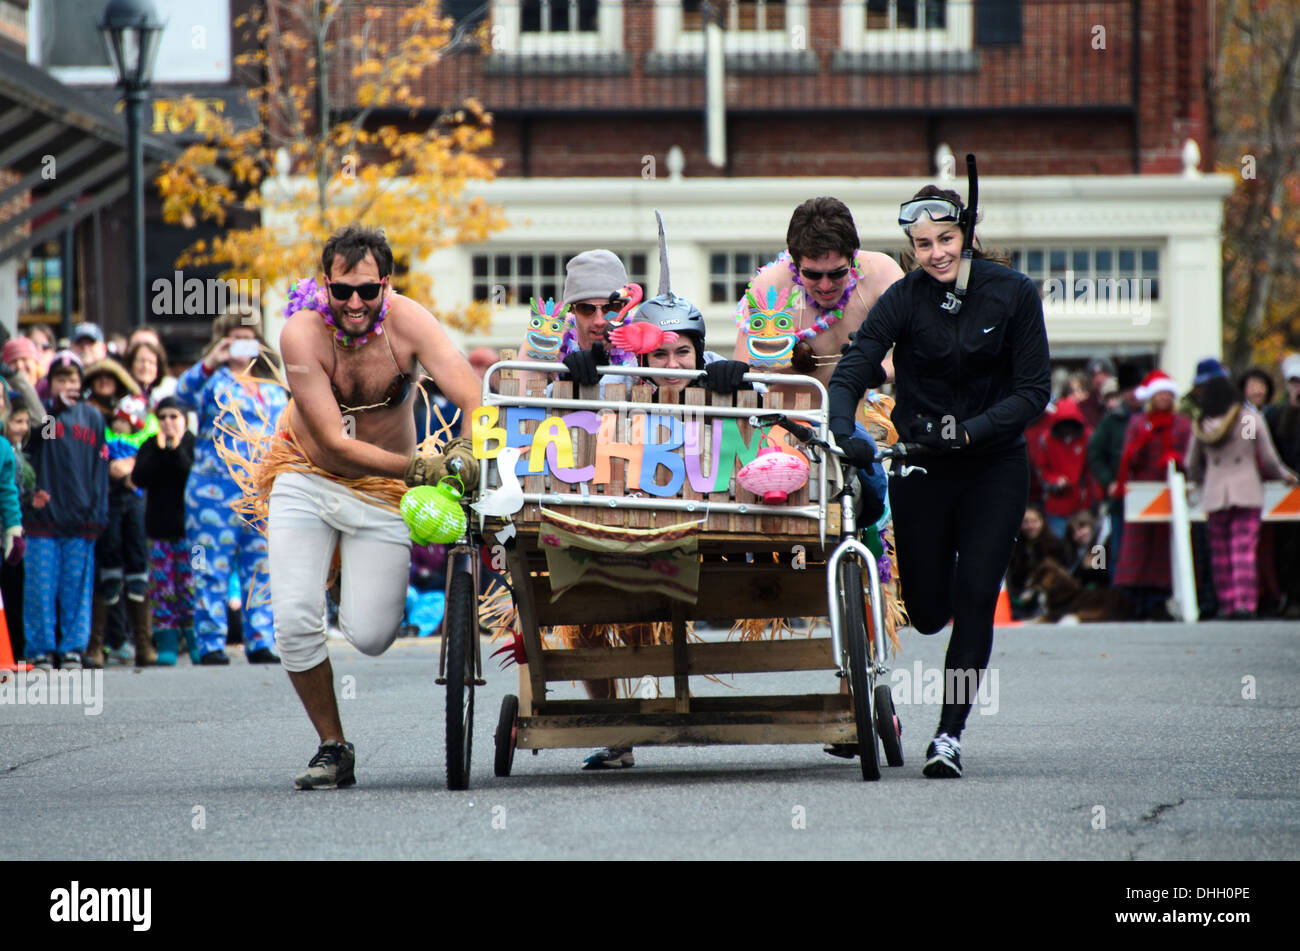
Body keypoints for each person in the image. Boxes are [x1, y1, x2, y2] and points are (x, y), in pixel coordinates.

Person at [828, 179, 1051, 778]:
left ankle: (948, 735)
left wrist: (972, 430)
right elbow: (857, 362)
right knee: (927, 612)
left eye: (946, 239)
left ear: (968, 235)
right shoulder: (904, 298)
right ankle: (949, 576)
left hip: (994, 465)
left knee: (978, 595)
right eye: (923, 243)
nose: (936, 253)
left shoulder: (1014, 295)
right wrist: (841, 424)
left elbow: (1034, 392)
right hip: (922, 465)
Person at [270, 224, 481, 789]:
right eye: (343, 291)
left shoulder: (410, 323)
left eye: (368, 290)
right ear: (325, 285)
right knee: (292, 622)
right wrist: (419, 469)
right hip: (306, 476)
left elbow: (471, 389)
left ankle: (344, 580)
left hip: (382, 494)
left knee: (371, 634)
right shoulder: (300, 335)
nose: (355, 303)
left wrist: (465, 444)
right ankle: (333, 746)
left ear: (386, 284)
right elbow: (335, 445)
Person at [731, 197, 901, 519]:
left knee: (873, 517)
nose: (825, 286)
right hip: (788, 432)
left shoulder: (883, 275)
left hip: (857, 425)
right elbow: (747, 372)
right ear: (795, 264)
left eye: (837, 274)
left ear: (853, 258)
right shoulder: (771, 289)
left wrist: (875, 371)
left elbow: (920, 356)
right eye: (813, 275)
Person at [175, 311, 289, 666]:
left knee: (262, 568)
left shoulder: (273, 388)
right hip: (213, 492)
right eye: (235, 337)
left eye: (249, 336)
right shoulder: (212, 382)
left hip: (262, 493)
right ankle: (209, 643)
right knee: (209, 566)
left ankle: (260, 640)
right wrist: (211, 361)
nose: (244, 343)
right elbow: (180, 396)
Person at [1185, 376, 1298, 619]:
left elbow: (1191, 464)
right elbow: (1266, 458)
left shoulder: (1202, 424)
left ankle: (1226, 603)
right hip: (1246, 489)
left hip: (1216, 492)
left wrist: (1201, 481)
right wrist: (1284, 475)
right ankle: (1244, 602)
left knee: (1220, 552)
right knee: (1243, 549)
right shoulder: (1247, 419)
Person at [22, 352, 108, 670]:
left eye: (73, 379)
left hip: (82, 518)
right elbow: (35, 441)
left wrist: (99, 512)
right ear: (50, 382)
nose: (69, 385)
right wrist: (53, 407)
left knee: (76, 587)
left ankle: (72, 647)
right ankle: (40, 648)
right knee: (41, 589)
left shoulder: (93, 418)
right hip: (42, 519)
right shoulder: (44, 415)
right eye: (62, 379)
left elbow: (101, 467)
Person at [1111, 370, 1193, 619]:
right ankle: (1134, 598)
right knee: (1137, 547)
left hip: (1170, 492)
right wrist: (1145, 440)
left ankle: (1160, 599)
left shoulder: (1182, 424)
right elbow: (1129, 457)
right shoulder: (1138, 423)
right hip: (1142, 493)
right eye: (1159, 394)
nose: (1164, 398)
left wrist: (1177, 460)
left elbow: (1190, 454)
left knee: (1163, 547)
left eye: (1168, 394)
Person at [515, 249, 640, 392]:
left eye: (612, 307)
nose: (599, 320)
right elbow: (522, 400)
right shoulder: (548, 335)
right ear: (571, 310)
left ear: (624, 308)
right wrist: (565, 384)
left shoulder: (641, 336)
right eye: (586, 309)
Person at [132, 396, 197, 665]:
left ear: (184, 419)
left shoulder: (194, 443)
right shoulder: (150, 445)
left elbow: (188, 470)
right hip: (159, 533)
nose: (168, 423)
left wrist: (175, 448)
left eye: (174, 417)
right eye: (163, 417)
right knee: (163, 590)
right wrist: (160, 450)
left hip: (193, 536)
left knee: (193, 588)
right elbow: (139, 478)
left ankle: (198, 644)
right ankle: (167, 645)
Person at [1087, 362, 1144, 580]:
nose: (1133, 395)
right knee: (1119, 547)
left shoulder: (1150, 416)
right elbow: (1095, 454)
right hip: (1120, 496)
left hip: (1148, 491)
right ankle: (1120, 591)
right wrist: (1108, 481)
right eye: (1128, 390)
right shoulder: (1113, 420)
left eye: (1136, 389)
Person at [1264, 354, 1300, 617]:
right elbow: (1270, 450)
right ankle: (1289, 598)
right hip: (1283, 491)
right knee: (1284, 548)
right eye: (1294, 382)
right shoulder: (1275, 414)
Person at [1032, 397, 1098, 538]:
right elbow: (1041, 469)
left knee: (1084, 546)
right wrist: (1055, 481)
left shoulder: (1088, 437)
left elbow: (1093, 470)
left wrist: (1093, 500)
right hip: (1056, 503)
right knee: (1058, 544)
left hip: (1082, 504)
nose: (1067, 428)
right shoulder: (1047, 440)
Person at [2, 395, 35, 661]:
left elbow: (8, 490)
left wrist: (14, 528)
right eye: (18, 420)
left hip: (4, 534)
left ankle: (15, 652)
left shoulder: (6, 448)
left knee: (12, 595)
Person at [1006, 504, 1071, 620]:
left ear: (1042, 522)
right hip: (1021, 598)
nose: (1030, 526)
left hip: (1049, 596)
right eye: (1026, 522)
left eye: (1034, 521)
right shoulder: (1015, 548)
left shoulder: (1056, 545)